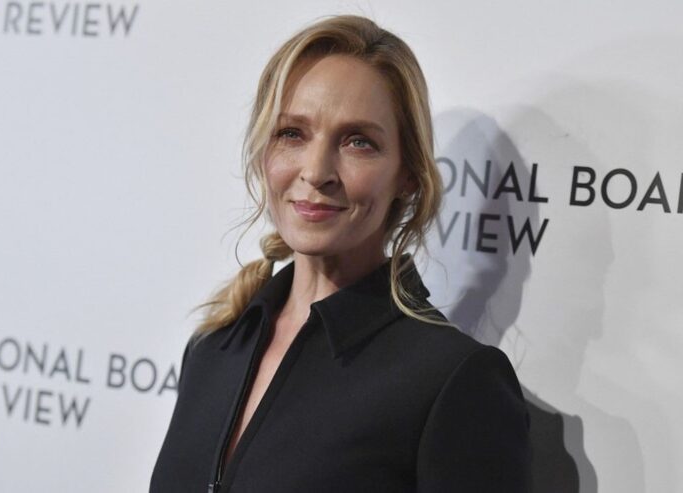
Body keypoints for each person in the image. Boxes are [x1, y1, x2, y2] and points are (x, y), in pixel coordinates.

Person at [150, 14, 530, 493]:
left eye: (358, 142)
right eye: (292, 133)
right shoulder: (214, 346)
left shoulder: (451, 380)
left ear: (408, 175)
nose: (316, 171)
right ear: (264, 152)